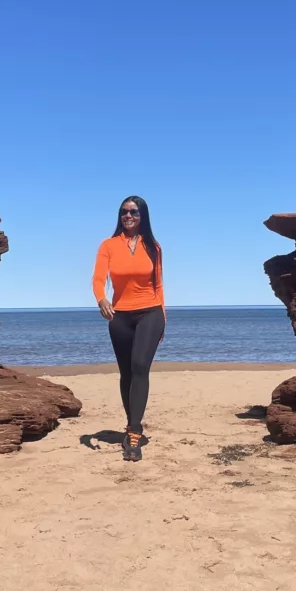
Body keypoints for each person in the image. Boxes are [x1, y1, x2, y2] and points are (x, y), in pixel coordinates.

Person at [91, 195, 165, 462]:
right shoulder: (109, 245)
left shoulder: (153, 247)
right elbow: (98, 278)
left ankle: (134, 434)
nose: (128, 216)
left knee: (139, 366)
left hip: (150, 312)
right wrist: (101, 298)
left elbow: (159, 286)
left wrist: (163, 319)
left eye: (133, 211)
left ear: (142, 215)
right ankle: (131, 422)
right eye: (124, 212)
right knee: (126, 374)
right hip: (120, 316)